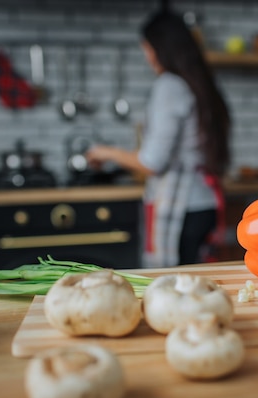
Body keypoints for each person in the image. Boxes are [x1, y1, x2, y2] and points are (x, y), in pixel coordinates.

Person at [86, 10, 231, 268]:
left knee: (175, 290)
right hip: (204, 203)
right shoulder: (201, 84)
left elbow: (153, 161)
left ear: (158, 49)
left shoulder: (170, 86)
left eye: (147, 48)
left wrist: (105, 152)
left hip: (183, 206)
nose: (146, 55)